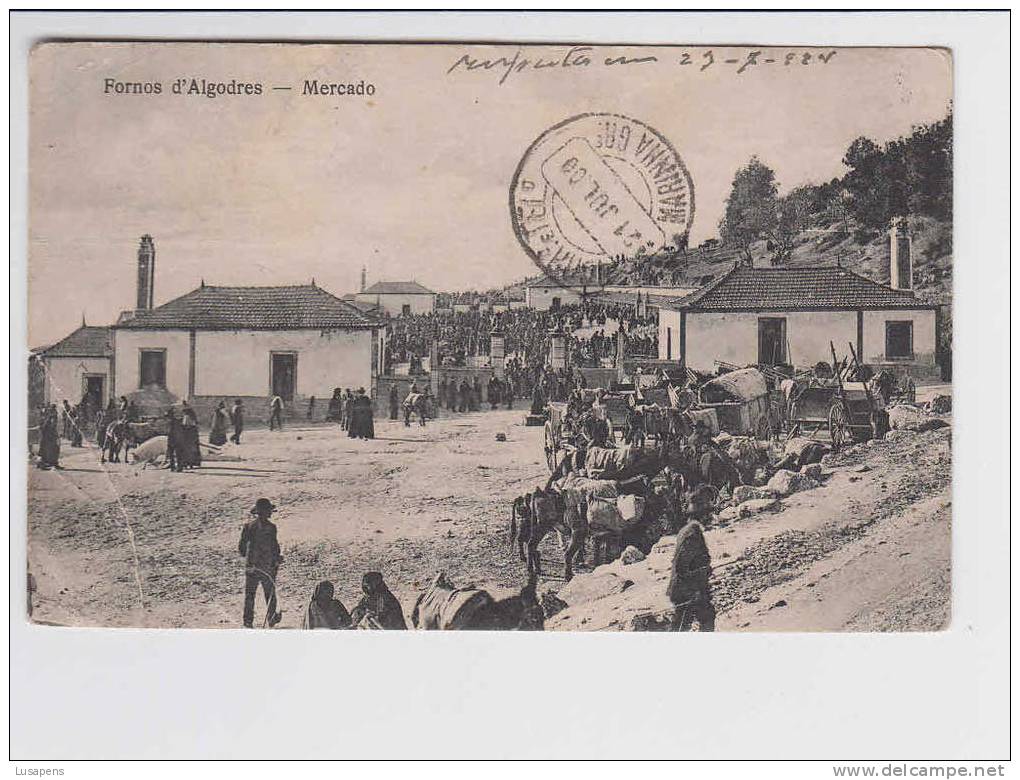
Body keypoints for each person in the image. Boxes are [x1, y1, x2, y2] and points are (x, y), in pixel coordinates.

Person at [667, 484, 716, 632]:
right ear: (702, 515)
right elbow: (681, 568)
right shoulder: (692, 534)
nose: (710, 517)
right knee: (683, 626)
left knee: (701, 618)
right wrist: (704, 571)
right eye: (708, 513)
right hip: (687, 590)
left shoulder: (688, 530)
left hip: (690, 588)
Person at [238, 498, 284, 628]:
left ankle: (248, 622)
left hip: (252, 567)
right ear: (263, 512)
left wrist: (249, 559)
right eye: (269, 511)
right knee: (269, 594)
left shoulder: (249, 527)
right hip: (266, 568)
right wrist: (276, 559)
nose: (270, 513)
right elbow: (275, 547)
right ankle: (271, 618)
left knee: (250, 595)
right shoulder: (271, 528)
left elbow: (241, 548)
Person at [179, 401, 202, 469]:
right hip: (193, 434)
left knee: (187, 449)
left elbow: (185, 426)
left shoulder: (186, 417)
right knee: (193, 449)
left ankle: (187, 463)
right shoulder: (192, 417)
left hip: (188, 434)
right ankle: (192, 463)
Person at [37, 404, 60, 469]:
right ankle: (42, 464)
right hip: (47, 436)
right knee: (45, 449)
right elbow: (44, 427)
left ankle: (54, 463)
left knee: (54, 449)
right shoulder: (48, 418)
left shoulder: (51, 417)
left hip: (51, 435)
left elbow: (53, 426)